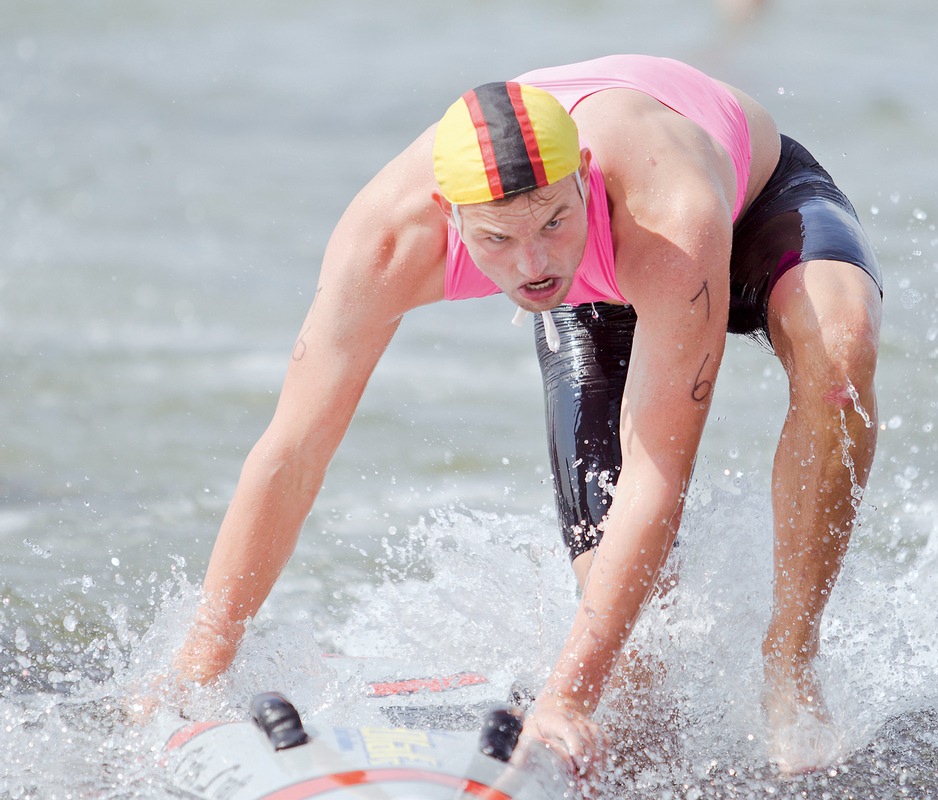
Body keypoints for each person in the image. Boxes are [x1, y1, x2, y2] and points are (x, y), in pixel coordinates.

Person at [169, 54, 882, 773]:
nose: (533, 263)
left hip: (750, 205)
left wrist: (566, 698)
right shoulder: (387, 242)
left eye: (552, 222)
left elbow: (658, 470)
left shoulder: (667, 212)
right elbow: (291, 453)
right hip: (596, 286)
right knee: (632, 642)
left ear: (585, 177)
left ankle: (790, 663)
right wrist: (200, 667)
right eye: (497, 241)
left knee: (839, 358)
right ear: (450, 219)